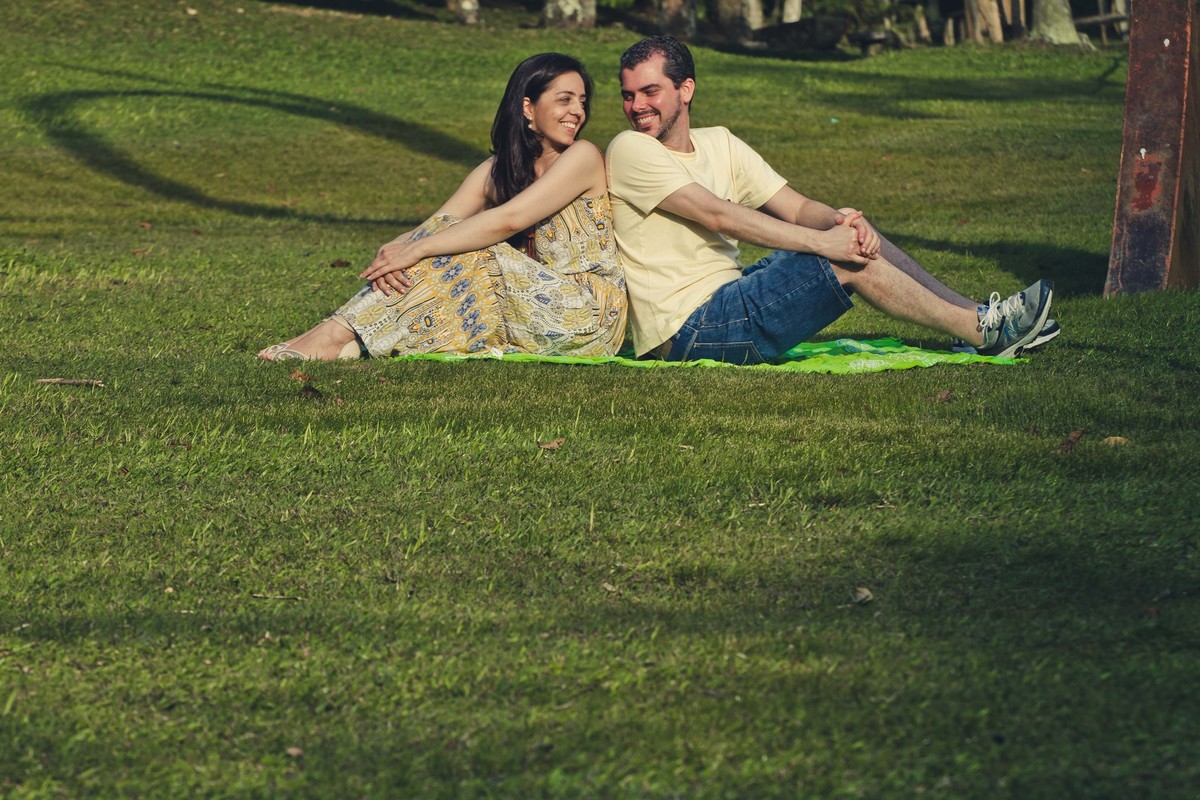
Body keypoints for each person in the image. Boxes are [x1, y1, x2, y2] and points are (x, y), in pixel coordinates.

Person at [605, 36, 1057, 365]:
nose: (636, 106)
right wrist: (824, 246)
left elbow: (798, 207)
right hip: (687, 331)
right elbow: (718, 214)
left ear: (685, 89)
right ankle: (984, 332)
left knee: (853, 235)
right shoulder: (631, 150)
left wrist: (842, 220)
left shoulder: (718, 142)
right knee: (840, 257)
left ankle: (979, 316)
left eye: (650, 91)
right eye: (628, 95)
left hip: (729, 298)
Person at [259, 53, 626, 362]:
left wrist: (415, 248)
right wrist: (395, 250)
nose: (577, 111)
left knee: (477, 251)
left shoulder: (583, 156)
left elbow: (508, 219)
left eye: (581, 101)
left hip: (588, 312)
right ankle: (339, 335)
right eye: (565, 99)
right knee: (444, 234)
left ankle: (331, 335)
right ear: (528, 107)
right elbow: (437, 223)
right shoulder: (499, 170)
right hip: (525, 309)